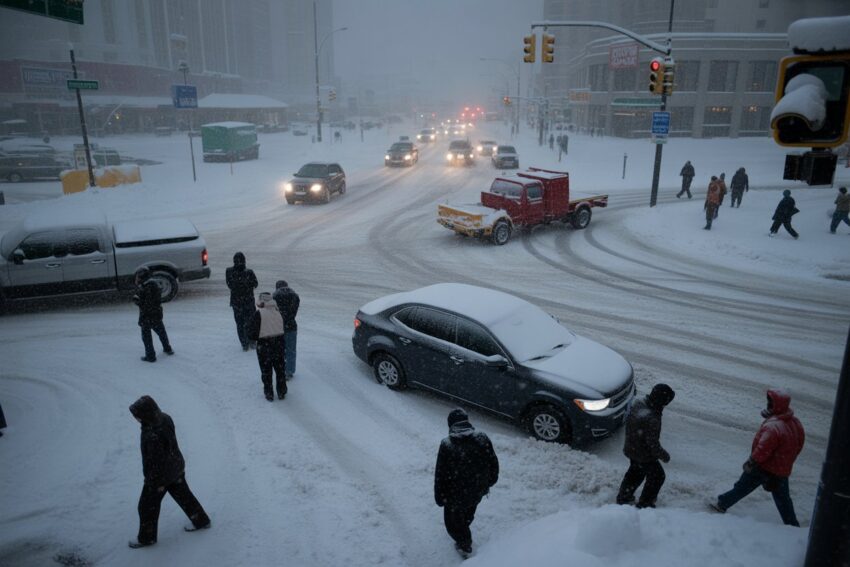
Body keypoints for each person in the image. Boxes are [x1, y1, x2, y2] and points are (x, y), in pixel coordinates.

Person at [709, 389, 804, 526]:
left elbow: (762, 450)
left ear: (777, 405)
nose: (768, 404)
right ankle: (792, 524)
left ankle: (722, 504)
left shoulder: (774, 427)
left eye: (770, 402)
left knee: (742, 487)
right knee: (783, 499)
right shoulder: (795, 423)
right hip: (781, 470)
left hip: (763, 467)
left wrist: (752, 462)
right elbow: (799, 445)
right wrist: (785, 462)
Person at [128, 396, 210, 548]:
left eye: (137, 415)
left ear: (145, 414)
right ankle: (201, 520)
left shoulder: (152, 435)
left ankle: (147, 538)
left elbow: (155, 462)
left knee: (146, 507)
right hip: (176, 467)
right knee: (184, 496)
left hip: (160, 477)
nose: (136, 419)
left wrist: (155, 483)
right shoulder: (165, 418)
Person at [434, 409, 499, 558]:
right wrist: (489, 482)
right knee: (469, 511)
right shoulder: (482, 438)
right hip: (477, 491)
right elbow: (493, 463)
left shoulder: (447, 444)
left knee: (452, 522)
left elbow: (441, 473)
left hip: (454, 495)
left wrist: (440, 497)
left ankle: (464, 544)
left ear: (450, 425)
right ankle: (465, 527)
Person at [616, 384, 675, 509]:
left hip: (632, 447)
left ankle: (624, 497)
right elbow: (652, 444)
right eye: (666, 402)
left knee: (635, 473)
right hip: (643, 454)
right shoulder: (652, 417)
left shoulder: (639, 404)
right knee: (658, 476)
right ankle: (645, 504)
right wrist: (664, 456)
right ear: (662, 401)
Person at [246, 292, 287, 401]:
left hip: (264, 345)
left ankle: (269, 393)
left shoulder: (259, 314)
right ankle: (282, 391)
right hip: (279, 343)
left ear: (261, 301)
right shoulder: (278, 312)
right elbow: (284, 328)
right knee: (280, 369)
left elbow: (252, 333)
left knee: (266, 370)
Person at [134, 267, 173, 362]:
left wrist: (137, 301)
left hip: (146, 316)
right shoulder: (154, 285)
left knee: (146, 337)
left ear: (142, 277)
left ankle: (150, 356)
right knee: (161, 333)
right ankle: (167, 348)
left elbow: (145, 304)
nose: (136, 279)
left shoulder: (144, 288)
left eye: (138, 277)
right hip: (156, 315)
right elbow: (155, 301)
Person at [225, 252, 258, 351]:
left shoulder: (229, 272)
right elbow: (255, 284)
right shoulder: (249, 272)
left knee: (240, 323)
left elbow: (230, 285)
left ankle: (245, 343)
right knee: (250, 322)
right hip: (248, 302)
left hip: (237, 302)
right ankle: (251, 341)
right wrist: (247, 284)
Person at [273, 280, 300, 379]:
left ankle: (281, 369)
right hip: (291, 326)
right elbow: (294, 311)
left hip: (278, 326)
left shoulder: (274, 297)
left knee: (279, 350)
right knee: (291, 350)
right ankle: (289, 371)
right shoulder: (295, 296)